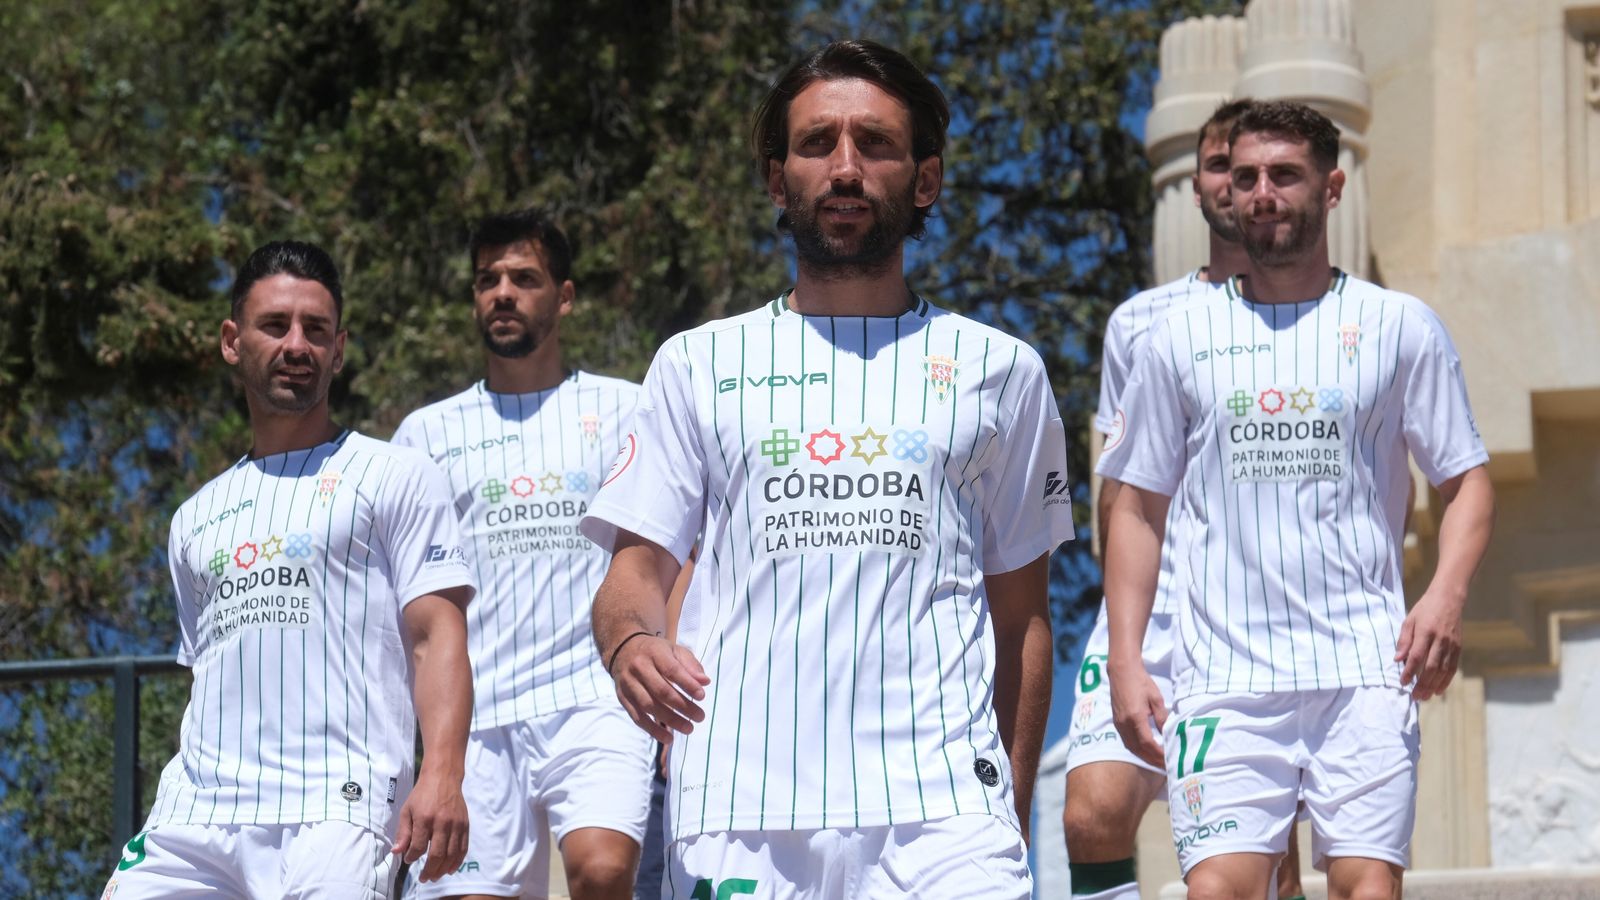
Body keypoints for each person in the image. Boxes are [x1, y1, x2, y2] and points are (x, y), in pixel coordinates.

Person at [578, 39, 1073, 900]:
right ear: (778, 180)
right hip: (740, 809)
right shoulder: (697, 364)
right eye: (817, 144)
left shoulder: (1002, 370)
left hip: (948, 817)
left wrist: (1011, 814)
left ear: (925, 180)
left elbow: (1023, 618)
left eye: (875, 143)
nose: (845, 167)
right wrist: (630, 642)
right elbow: (636, 571)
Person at [1100, 100, 1495, 900]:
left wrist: (1445, 597)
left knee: (1366, 886)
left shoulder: (1399, 326)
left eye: (1285, 174)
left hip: (1363, 667)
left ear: (1332, 186)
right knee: (1219, 891)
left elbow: (1467, 481)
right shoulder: (1175, 337)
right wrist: (1127, 656)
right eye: (1245, 177)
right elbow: (1137, 508)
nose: (1262, 193)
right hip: (1223, 676)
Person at [100, 240, 476, 899]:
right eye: (275, 325)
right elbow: (207, 677)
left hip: (340, 807)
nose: (296, 344)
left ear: (338, 348)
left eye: (316, 330)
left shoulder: (394, 476)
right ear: (231, 340)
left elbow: (436, 636)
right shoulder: (194, 517)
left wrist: (442, 774)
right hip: (196, 816)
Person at [1065, 99, 1304, 900]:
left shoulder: (1314, 315)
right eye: (1217, 166)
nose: (1236, 184)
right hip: (1153, 606)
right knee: (1091, 812)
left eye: (1252, 168)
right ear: (1203, 186)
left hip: (1256, 610)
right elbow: (1118, 481)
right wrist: (1123, 610)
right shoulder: (1141, 321)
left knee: (1268, 854)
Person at [392, 210, 654, 900]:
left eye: (524, 278)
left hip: (596, 700)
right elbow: (411, 598)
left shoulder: (626, 409)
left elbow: (665, 555)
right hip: (474, 722)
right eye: (488, 280)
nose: (502, 293)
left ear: (563, 297)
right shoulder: (424, 435)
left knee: (601, 872)